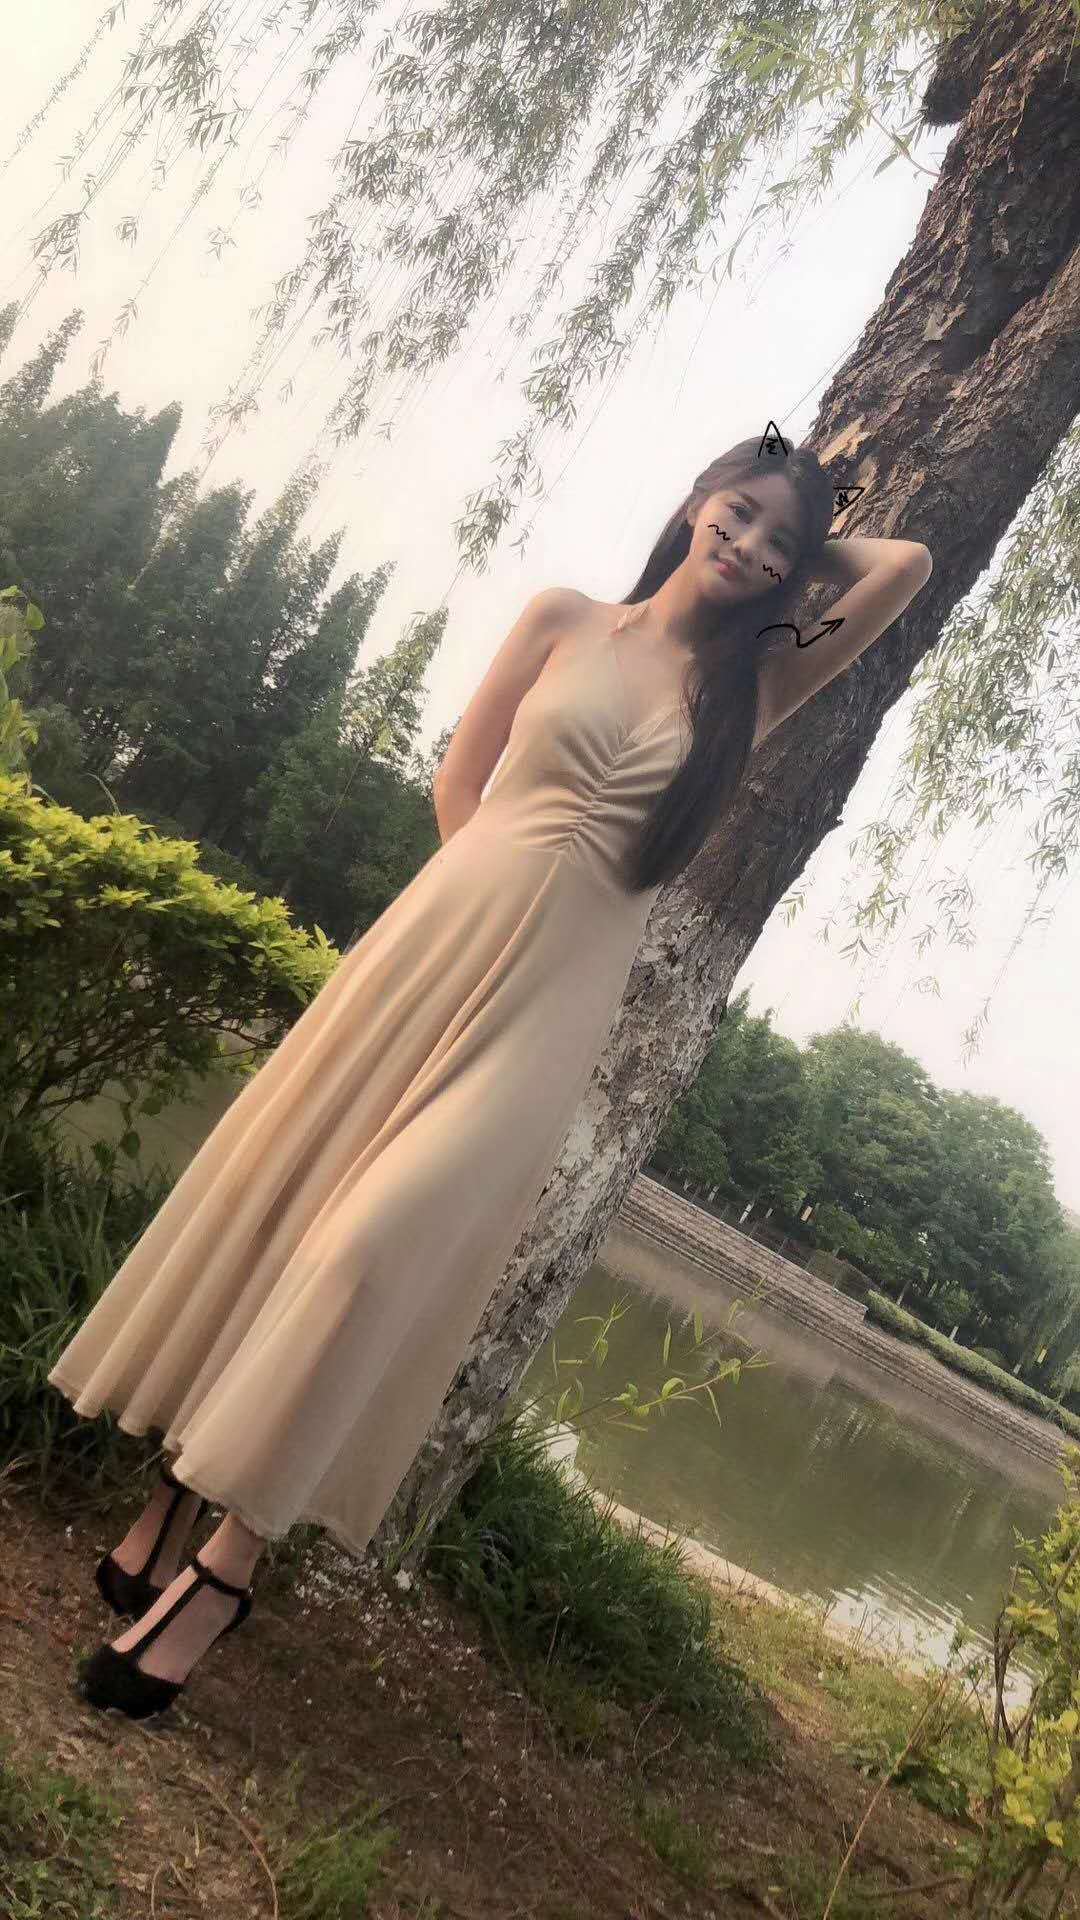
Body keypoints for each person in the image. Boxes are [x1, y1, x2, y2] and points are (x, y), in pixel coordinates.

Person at [47, 432, 932, 1720]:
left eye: (775, 546)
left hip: (553, 1010)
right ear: (695, 498)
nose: (747, 546)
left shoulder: (757, 685)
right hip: (434, 953)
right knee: (301, 1213)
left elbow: (904, 566)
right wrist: (482, 923)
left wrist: (807, 525)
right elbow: (460, 781)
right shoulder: (564, 618)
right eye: (736, 513)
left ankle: (228, 1571)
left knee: (370, 1252)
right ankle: (177, 1496)